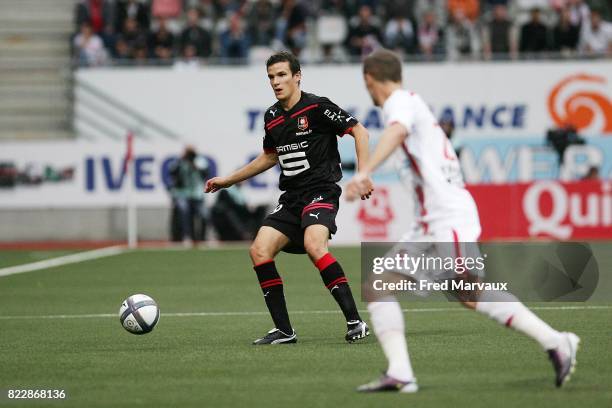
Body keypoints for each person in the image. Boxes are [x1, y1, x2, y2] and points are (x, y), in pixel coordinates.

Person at [345, 49, 580, 392]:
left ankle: (557, 342)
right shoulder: (411, 103)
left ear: (369, 79)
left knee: (468, 289)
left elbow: (396, 132)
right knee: (378, 285)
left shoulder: (400, 102)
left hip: (448, 217)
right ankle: (400, 373)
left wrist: (365, 170)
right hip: (431, 222)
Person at [205, 51, 373, 345]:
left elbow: (360, 131)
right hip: (292, 198)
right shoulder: (271, 117)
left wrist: (363, 174)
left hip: (321, 191)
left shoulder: (318, 107)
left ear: (297, 76)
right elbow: (269, 157)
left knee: (313, 245)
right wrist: (228, 180)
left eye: (282, 75)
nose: (276, 81)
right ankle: (284, 330)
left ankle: (355, 322)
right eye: (271, 77)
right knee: (259, 251)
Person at [169, 146, 209, 245]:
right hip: (183, 193)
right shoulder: (180, 162)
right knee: (184, 211)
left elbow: (205, 172)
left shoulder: (200, 161)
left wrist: (194, 164)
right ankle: (186, 236)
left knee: (204, 215)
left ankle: (202, 238)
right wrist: (181, 160)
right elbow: (172, 171)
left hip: (197, 193)